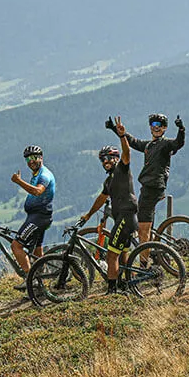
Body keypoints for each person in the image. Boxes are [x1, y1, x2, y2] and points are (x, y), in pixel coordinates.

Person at [77, 117, 138, 294]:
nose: (106, 161)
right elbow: (101, 198)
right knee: (124, 253)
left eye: (109, 158)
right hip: (123, 217)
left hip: (126, 215)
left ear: (116, 159)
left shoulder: (122, 169)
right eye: (103, 159)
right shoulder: (108, 180)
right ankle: (128, 284)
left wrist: (122, 136)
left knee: (112, 254)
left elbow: (127, 153)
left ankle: (112, 290)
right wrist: (88, 215)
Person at [117, 113, 185, 244]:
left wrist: (181, 129)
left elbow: (178, 143)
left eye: (160, 125)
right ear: (150, 127)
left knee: (143, 231)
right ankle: (152, 250)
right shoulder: (149, 145)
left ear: (164, 128)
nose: (156, 127)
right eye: (154, 124)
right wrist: (120, 133)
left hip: (152, 187)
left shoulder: (165, 144)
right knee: (147, 225)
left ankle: (144, 256)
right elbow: (134, 142)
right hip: (150, 187)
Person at [10, 145, 55, 291]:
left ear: (41, 157)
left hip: (39, 217)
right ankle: (40, 282)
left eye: (34, 157)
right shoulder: (36, 174)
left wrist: (19, 181)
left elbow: (37, 191)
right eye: (28, 159)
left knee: (16, 245)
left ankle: (31, 279)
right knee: (37, 249)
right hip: (37, 216)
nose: (31, 161)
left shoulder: (44, 175)